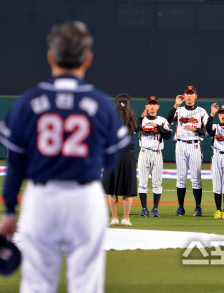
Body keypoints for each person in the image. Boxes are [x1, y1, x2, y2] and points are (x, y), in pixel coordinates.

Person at [0, 21, 131, 292]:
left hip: (41, 199)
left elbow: (15, 164)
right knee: (86, 284)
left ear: (50, 56)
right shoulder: (100, 105)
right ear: (88, 58)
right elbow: (110, 159)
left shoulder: (27, 102)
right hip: (84, 198)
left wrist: (10, 210)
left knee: (37, 284)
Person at [166, 86, 208, 216]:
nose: (189, 96)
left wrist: (195, 129)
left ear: (196, 96)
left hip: (195, 145)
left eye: (192, 93)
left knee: (196, 178)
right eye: (187, 93)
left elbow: (208, 131)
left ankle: (198, 207)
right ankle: (180, 207)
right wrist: (175, 106)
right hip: (180, 145)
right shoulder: (179, 110)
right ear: (184, 96)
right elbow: (167, 122)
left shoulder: (201, 111)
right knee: (181, 178)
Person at [103, 94, 140, 226]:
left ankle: (114, 218)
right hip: (128, 155)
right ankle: (126, 218)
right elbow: (138, 127)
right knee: (127, 189)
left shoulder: (110, 117)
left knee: (113, 189)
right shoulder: (132, 118)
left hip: (113, 155)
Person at [137, 95, 172, 217]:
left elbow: (168, 136)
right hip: (144, 152)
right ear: (146, 106)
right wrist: (141, 118)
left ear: (158, 106)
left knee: (157, 182)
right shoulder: (142, 120)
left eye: (154, 104)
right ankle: (144, 209)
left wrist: (157, 126)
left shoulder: (162, 120)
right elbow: (135, 128)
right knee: (142, 182)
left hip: (157, 153)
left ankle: (155, 209)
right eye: (150, 104)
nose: (152, 106)